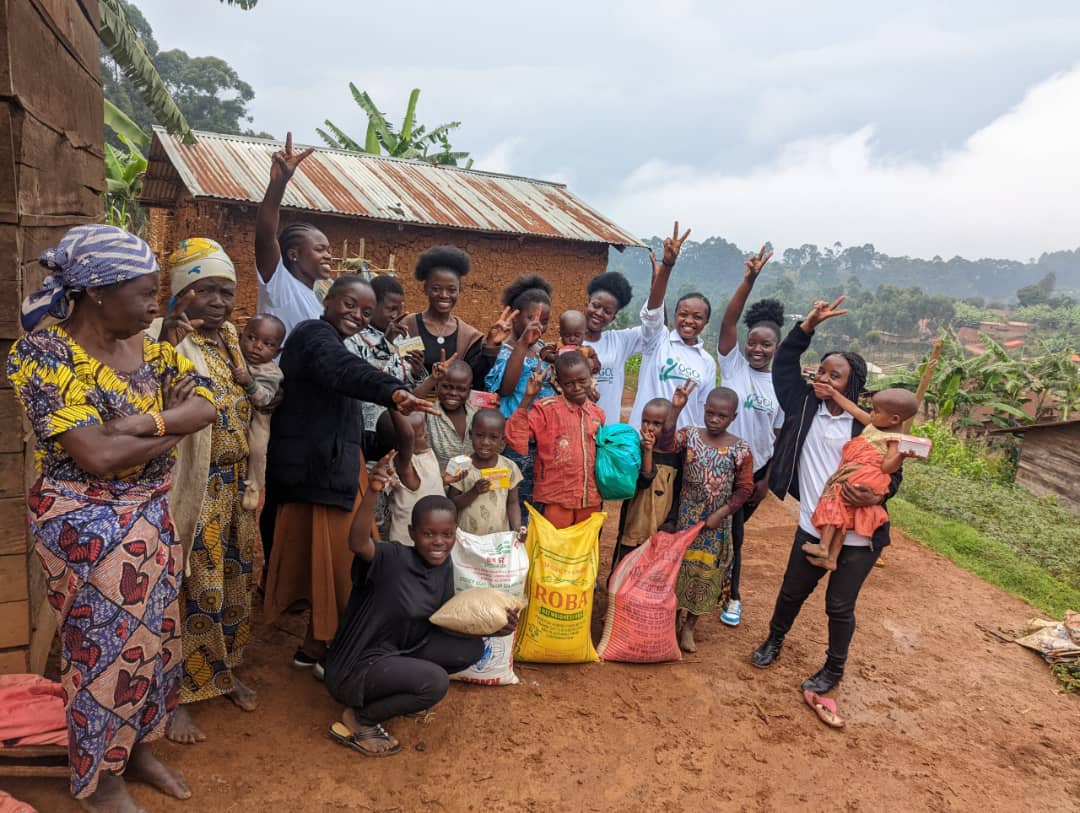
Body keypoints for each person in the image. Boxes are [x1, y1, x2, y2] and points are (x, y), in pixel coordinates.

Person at [7, 224, 216, 810]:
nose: (155, 306)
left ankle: (139, 748)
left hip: (150, 514)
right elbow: (95, 457)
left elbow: (206, 404)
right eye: (145, 293)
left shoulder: (152, 349)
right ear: (97, 292)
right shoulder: (43, 356)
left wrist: (141, 426)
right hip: (84, 523)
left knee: (156, 641)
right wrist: (168, 426)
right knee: (104, 651)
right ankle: (101, 781)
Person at [263, 276, 435, 673]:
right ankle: (339, 651)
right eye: (349, 304)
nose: (357, 315)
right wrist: (392, 390)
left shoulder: (336, 346)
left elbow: (339, 419)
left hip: (334, 472)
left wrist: (379, 442)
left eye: (366, 312)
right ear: (328, 300)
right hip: (321, 478)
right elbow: (343, 370)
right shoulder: (313, 335)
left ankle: (314, 647)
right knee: (345, 566)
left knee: (334, 566)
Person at [752, 296, 903, 695]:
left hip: (860, 534)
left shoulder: (868, 426)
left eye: (835, 376)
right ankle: (773, 640)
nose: (824, 379)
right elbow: (784, 364)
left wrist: (874, 498)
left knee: (839, 605)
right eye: (821, 371)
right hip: (813, 523)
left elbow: (894, 475)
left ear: (851, 386)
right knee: (792, 591)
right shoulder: (803, 405)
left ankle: (834, 668)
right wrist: (808, 326)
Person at [324, 452, 516, 757]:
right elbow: (358, 543)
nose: (439, 542)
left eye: (447, 534)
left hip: (400, 651)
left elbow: (443, 621)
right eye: (429, 534)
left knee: (471, 648)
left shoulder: (443, 566)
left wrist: (492, 627)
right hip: (357, 666)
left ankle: (401, 690)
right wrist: (372, 491)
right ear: (413, 533)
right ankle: (362, 718)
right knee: (435, 683)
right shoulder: (392, 558)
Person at [149, 239, 261, 746]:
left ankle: (223, 672)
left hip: (235, 487)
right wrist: (165, 348)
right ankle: (177, 696)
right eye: (206, 290)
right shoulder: (163, 338)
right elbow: (146, 402)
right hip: (195, 486)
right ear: (180, 293)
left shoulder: (233, 337)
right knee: (194, 587)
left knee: (236, 583)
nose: (218, 302)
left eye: (226, 291)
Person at [715, 245, 784, 627]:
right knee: (718, 528)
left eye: (765, 344)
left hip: (753, 474)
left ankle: (731, 595)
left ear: (777, 347)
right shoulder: (734, 366)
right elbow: (729, 322)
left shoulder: (782, 387)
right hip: (717, 465)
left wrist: (766, 480)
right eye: (753, 342)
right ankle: (719, 590)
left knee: (733, 533)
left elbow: (778, 438)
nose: (757, 349)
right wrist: (749, 280)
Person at [661, 384, 754, 653]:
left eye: (722, 416)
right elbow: (666, 444)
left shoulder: (740, 449)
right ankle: (672, 621)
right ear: (704, 410)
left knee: (706, 574)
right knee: (678, 570)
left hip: (715, 527)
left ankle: (690, 626)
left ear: (733, 417)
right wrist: (675, 409)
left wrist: (722, 513)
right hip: (685, 520)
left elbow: (745, 488)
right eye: (710, 413)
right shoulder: (689, 436)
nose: (714, 420)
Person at [801, 386, 919, 571]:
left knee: (833, 500)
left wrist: (901, 456)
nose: (871, 413)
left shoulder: (895, 439)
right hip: (861, 473)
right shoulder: (875, 425)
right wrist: (834, 394)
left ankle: (823, 546)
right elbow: (854, 409)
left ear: (894, 419)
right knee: (845, 515)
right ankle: (831, 558)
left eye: (876, 411)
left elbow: (887, 467)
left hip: (865, 475)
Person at [627, 222, 716, 431]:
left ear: (706, 322)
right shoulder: (658, 341)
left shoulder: (707, 362)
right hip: (643, 439)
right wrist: (667, 265)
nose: (689, 321)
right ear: (675, 315)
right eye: (683, 314)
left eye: (697, 317)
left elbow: (702, 409)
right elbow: (653, 310)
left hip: (680, 443)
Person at [505, 352, 605, 529]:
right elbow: (515, 436)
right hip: (555, 499)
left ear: (591, 376)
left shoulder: (597, 413)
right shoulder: (545, 410)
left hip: (590, 499)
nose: (577, 387)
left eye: (582, 380)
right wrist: (527, 398)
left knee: (586, 544)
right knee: (553, 544)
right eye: (569, 383)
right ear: (558, 384)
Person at [485, 274, 556, 522]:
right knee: (511, 498)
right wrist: (523, 344)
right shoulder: (505, 349)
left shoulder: (542, 349)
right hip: (514, 438)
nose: (538, 326)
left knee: (534, 501)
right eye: (530, 318)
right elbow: (506, 389)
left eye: (544, 321)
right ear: (515, 317)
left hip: (540, 439)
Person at [254, 132, 328, 341]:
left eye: (328, 250)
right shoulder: (280, 287)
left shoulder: (322, 301)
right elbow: (265, 236)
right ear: (293, 255)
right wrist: (279, 183)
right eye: (319, 249)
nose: (328, 255)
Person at [400, 246, 511, 382]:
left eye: (451, 290)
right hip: (412, 395)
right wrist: (416, 372)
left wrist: (491, 346)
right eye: (436, 288)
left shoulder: (469, 337)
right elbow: (396, 371)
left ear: (459, 290)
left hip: (453, 396)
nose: (444, 295)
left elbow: (476, 378)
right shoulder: (409, 326)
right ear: (425, 289)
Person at [345, 274, 428, 434]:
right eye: (390, 309)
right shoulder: (352, 337)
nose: (395, 315)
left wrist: (417, 372)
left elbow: (407, 387)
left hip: (401, 426)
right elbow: (362, 380)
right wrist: (387, 343)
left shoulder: (403, 337)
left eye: (399, 309)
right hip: (367, 429)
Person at [610, 397, 681, 579]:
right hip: (635, 521)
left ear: (668, 426)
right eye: (645, 421)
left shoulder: (677, 456)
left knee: (653, 569)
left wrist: (671, 522)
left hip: (660, 524)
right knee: (625, 566)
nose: (649, 428)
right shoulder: (635, 451)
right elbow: (644, 481)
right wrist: (647, 452)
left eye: (657, 424)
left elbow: (679, 492)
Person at [236, 314, 286, 512]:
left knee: (258, 449)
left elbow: (265, 399)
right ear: (240, 336)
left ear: (277, 351)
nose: (257, 346)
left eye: (268, 344)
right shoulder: (234, 356)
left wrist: (249, 382)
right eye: (251, 338)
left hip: (258, 419)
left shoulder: (272, 372)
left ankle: (254, 486)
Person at [448, 408, 524, 534]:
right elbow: (451, 504)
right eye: (479, 435)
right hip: (468, 539)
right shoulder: (460, 466)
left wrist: (517, 529)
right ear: (471, 434)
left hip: (497, 539)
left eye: (493, 437)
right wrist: (474, 492)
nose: (485, 442)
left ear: (502, 440)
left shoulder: (509, 467)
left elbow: (513, 503)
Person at [580, 271, 641, 425]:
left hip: (608, 430)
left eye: (607, 312)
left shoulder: (620, 341)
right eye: (596, 306)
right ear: (586, 304)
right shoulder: (567, 343)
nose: (599, 313)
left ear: (613, 317)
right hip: (575, 429)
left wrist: (658, 282)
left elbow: (655, 329)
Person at [386, 411, 448, 544]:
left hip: (432, 533)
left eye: (425, 430)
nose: (427, 434)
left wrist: (443, 480)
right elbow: (406, 437)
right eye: (420, 434)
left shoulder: (425, 454)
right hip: (408, 540)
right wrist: (392, 403)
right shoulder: (403, 464)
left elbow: (425, 487)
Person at [423, 358, 477, 472]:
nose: (453, 393)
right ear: (437, 386)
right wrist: (432, 379)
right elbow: (406, 407)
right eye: (447, 386)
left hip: (473, 482)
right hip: (438, 481)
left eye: (461, 389)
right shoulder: (428, 413)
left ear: (469, 390)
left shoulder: (477, 414)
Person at [540, 309, 601, 402]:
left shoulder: (587, 350)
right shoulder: (557, 347)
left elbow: (597, 365)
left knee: (591, 390)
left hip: (581, 387)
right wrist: (554, 357)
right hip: (559, 387)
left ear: (585, 334)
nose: (572, 339)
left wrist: (587, 361)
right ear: (560, 333)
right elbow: (544, 352)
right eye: (567, 335)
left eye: (577, 335)